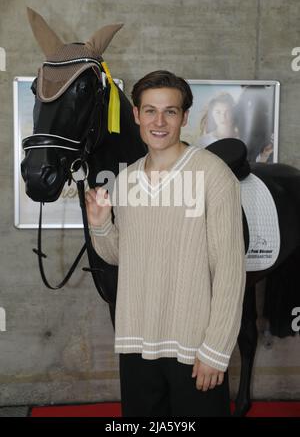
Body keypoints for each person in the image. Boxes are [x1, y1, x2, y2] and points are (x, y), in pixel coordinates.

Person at [85, 70, 246, 417]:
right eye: (150, 111)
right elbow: (120, 256)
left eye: (170, 111)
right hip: (136, 343)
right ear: (136, 115)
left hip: (194, 349)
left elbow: (231, 271)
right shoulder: (125, 180)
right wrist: (100, 226)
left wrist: (216, 350)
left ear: (185, 117)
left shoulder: (213, 174)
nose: (159, 122)